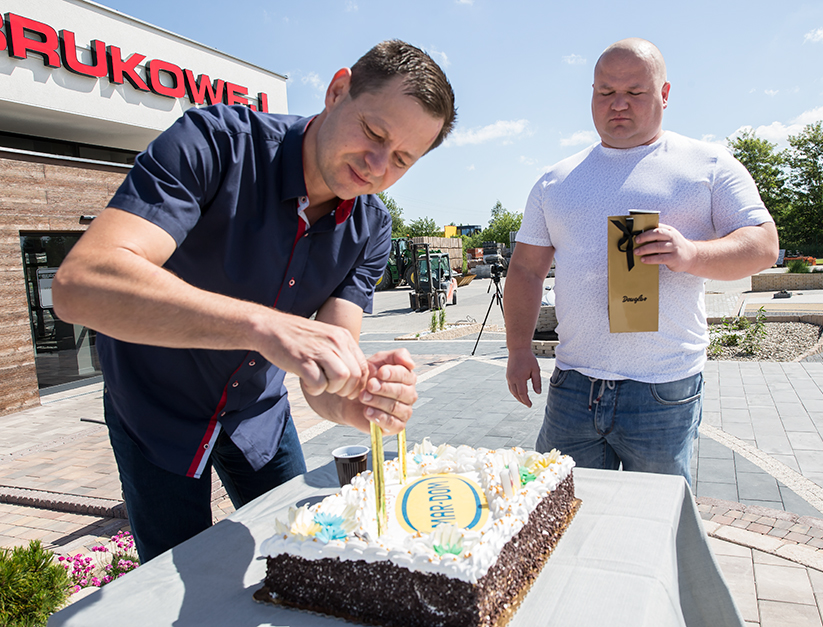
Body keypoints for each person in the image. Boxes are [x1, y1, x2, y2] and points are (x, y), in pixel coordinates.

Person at [52, 40, 456, 562]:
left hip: (258, 413)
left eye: (402, 159)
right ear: (337, 92)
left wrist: (352, 397)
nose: (376, 166)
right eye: (374, 132)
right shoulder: (214, 144)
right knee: (181, 572)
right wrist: (261, 326)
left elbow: (326, 381)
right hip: (152, 407)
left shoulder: (370, 228)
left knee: (305, 554)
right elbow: (81, 284)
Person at [504, 38, 778, 482]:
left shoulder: (707, 166)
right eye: (605, 91)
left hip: (663, 389)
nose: (618, 105)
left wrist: (690, 254)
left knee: (658, 521)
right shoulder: (556, 181)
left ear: (665, 94)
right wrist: (518, 349)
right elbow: (525, 269)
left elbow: (763, 245)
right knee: (560, 513)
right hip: (574, 385)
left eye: (635, 92)